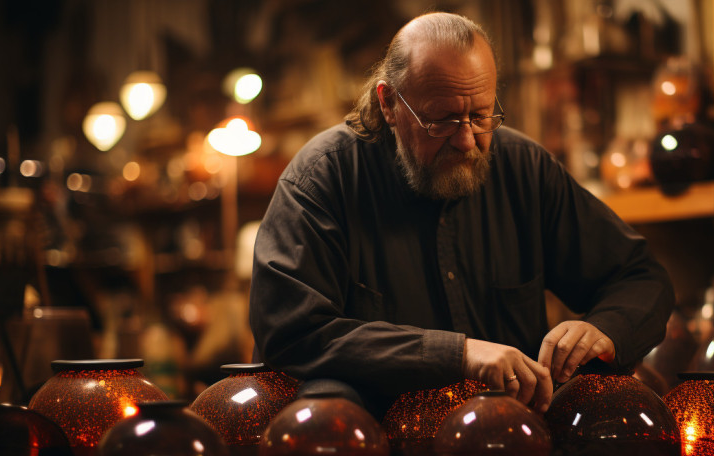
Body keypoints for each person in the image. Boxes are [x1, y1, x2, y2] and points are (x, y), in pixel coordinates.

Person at [249, 11, 674, 418]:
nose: (468, 141)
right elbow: (290, 331)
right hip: (373, 454)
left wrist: (605, 329)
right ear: (390, 103)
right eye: (443, 121)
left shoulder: (524, 167)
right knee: (327, 405)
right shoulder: (323, 178)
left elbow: (640, 277)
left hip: (512, 447)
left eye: (481, 115)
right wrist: (458, 354)